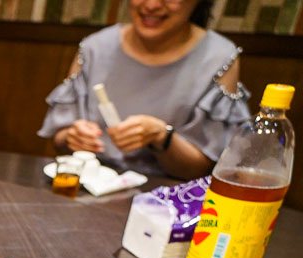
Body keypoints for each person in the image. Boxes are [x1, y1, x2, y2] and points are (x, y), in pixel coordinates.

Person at [38, 0, 250, 179]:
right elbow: (60, 140)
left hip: (166, 200)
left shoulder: (219, 57)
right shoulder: (95, 47)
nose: (151, 5)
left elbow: (199, 168)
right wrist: (72, 137)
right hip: (89, 185)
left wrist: (162, 137)